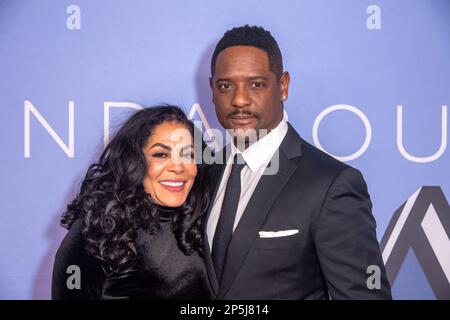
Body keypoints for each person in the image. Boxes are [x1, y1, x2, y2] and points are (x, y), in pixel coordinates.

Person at [204, 25, 392, 299]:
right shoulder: (201, 175)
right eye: (226, 85)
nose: (239, 99)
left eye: (256, 84)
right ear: (212, 89)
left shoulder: (331, 185)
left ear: (283, 86)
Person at [52, 105, 212, 299]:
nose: (178, 167)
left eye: (188, 155)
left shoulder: (202, 223)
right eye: (161, 154)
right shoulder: (97, 230)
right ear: (134, 161)